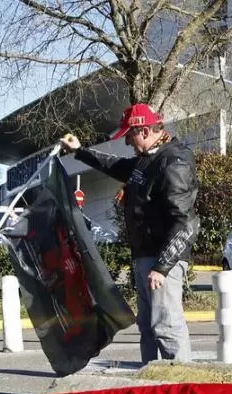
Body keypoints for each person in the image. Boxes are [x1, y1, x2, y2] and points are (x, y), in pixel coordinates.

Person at [59, 103, 199, 364]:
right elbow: (115, 166)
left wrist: (162, 266)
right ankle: (151, 386)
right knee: (148, 328)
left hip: (161, 260)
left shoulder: (172, 163)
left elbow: (185, 222)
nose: (127, 142)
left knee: (167, 328)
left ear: (144, 131)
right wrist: (80, 152)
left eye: (129, 136)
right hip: (145, 256)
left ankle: (180, 389)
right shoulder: (147, 160)